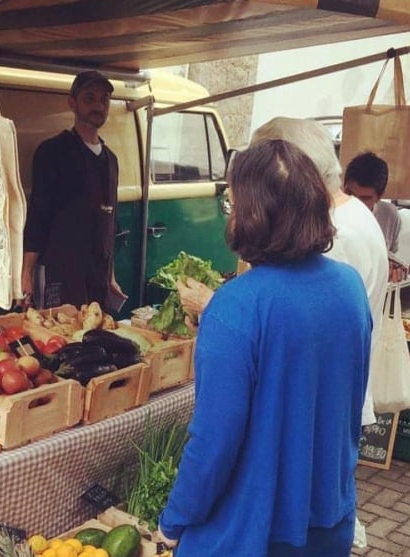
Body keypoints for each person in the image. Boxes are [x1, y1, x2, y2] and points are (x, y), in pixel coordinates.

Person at [158, 139, 372, 556]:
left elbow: (213, 442)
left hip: (249, 535)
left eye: (232, 204)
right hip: (329, 524)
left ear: (253, 214)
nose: (230, 215)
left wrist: (173, 521)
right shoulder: (349, 287)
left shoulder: (235, 306)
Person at [181, 117, 387, 426]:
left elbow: (300, 332)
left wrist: (217, 309)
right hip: (326, 401)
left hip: (309, 409)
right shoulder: (351, 213)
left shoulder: (335, 233)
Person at [21, 70, 126, 309]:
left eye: (104, 100)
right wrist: (26, 273)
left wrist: (111, 275)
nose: (98, 105)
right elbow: (38, 215)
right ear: (72, 103)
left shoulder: (111, 160)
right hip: (61, 272)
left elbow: (109, 223)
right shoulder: (52, 152)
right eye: (89, 98)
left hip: (97, 277)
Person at [342, 151, 407, 282]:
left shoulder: (389, 216)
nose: (355, 202)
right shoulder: (330, 215)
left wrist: (393, 269)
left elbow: (389, 258)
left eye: (364, 198)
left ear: (379, 196)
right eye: (350, 194)